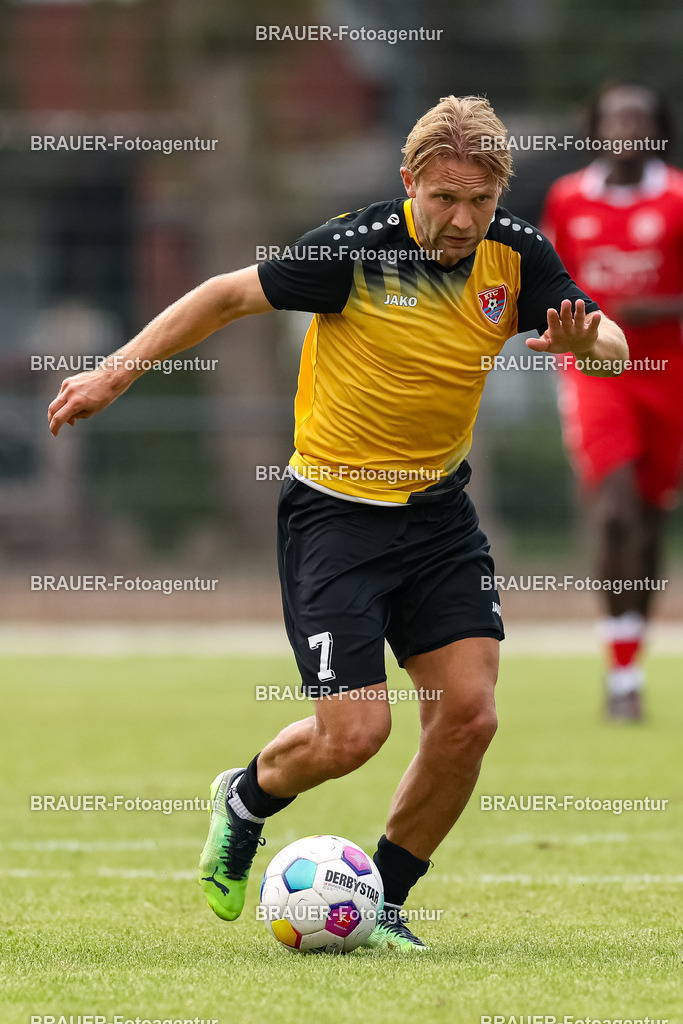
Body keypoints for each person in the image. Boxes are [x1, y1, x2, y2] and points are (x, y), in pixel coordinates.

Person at [48, 95, 627, 950]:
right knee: (354, 735)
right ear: (408, 185)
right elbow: (220, 297)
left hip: (438, 520)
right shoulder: (353, 251)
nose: (462, 219)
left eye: (479, 201)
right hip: (336, 518)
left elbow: (604, 337)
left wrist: (589, 349)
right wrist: (112, 374)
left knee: (469, 717)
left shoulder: (517, 255)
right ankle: (244, 798)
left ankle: (386, 901)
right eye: (442, 199)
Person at [542, 83, 683, 721]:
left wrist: (660, 307)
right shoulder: (568, 199)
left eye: (641, 119)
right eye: (617, 118)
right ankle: (618, 677)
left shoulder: (678, 198)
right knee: (614, 506)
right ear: (596, 128)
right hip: (596, 367)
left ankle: (630, 665)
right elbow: (547, 279)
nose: (628, 128)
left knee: (651, 521)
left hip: (667, 371)